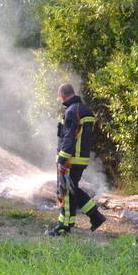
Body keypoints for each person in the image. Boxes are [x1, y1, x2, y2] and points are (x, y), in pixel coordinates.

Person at [46, 83, 106, 236]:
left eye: (60, 98)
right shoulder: (83, 110)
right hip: (81, 159)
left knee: (65, 191)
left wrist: (62, 159)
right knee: (73, 190)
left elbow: (69, 137)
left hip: (70, 159)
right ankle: (95, 216)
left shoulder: (72, 111)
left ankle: (63, 227)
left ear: (62, 96)